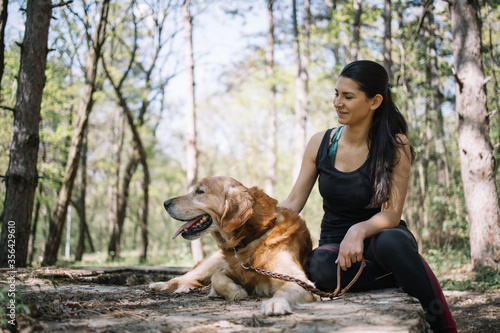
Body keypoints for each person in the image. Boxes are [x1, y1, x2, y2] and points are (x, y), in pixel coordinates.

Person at [280, 60, 457, 333]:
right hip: (336, 251)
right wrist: (254, 221)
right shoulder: (320, 143)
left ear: (375, 101)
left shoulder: (395, 145)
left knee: (393, 241)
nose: (338, 102)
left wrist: (359, 230)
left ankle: (443, 327)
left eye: (348, 96)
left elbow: (391, 213)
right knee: (317, 267)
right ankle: (397, 275)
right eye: (336, 94)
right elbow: (292, 203)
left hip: (381, 243)